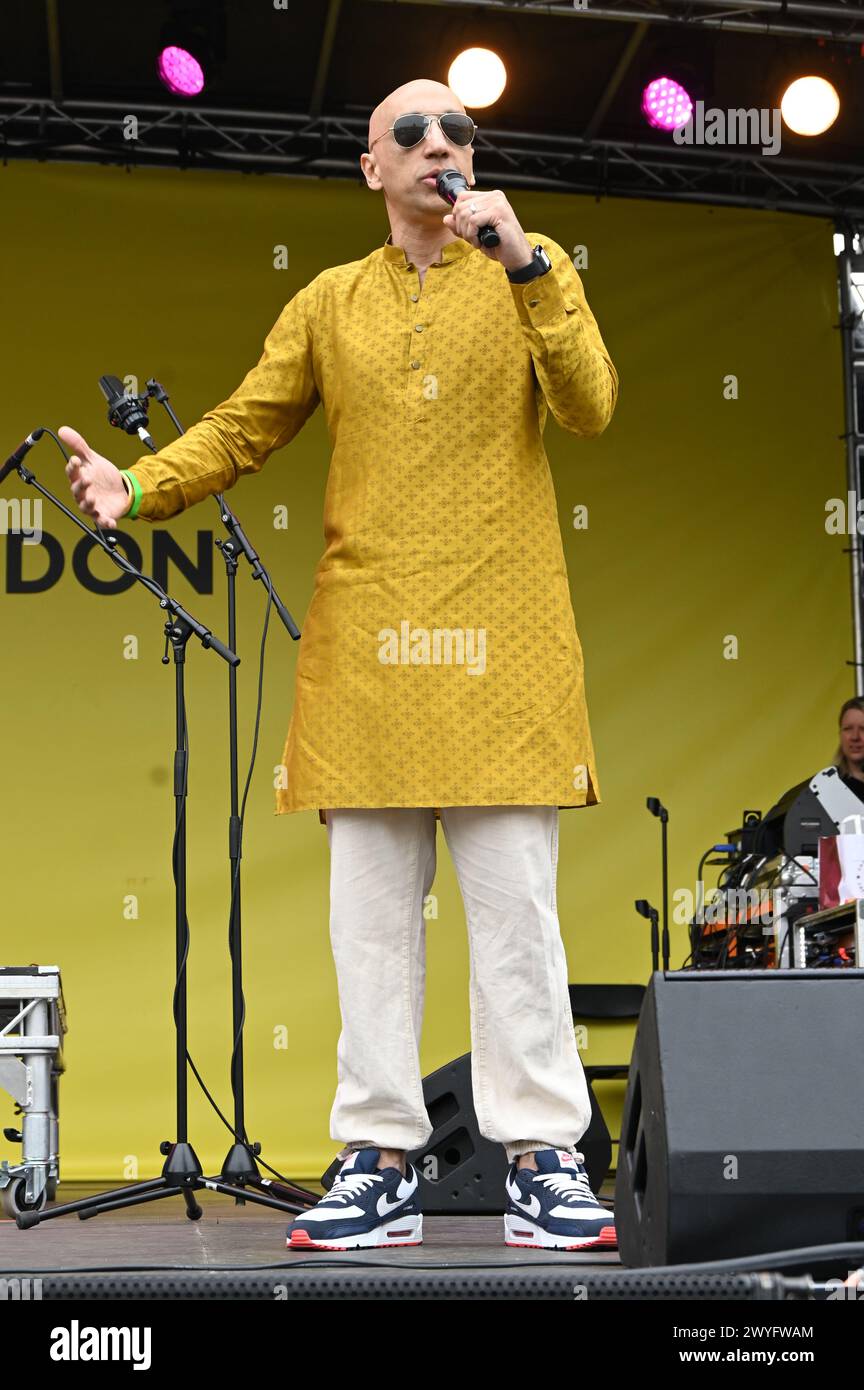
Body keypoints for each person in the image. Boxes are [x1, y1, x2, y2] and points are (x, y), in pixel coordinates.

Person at [59, 76, 620, 1252]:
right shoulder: (326, 302)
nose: (435, 145)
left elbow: (590, 407)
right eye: (406, 132)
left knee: (516, 921)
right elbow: (244, 425)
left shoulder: (532, 267)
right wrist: (139, 484)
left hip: (504, 648)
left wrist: (523, 261)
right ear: (371, 170)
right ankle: (377, 1157)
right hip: (367, 647)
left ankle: (542, 1160)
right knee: (370, 926)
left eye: (455, 131)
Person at [834, 697, 864, 802]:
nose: (855, 737)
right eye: (848, 729)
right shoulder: (828, 789)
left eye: (863, 729)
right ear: (840, 734)